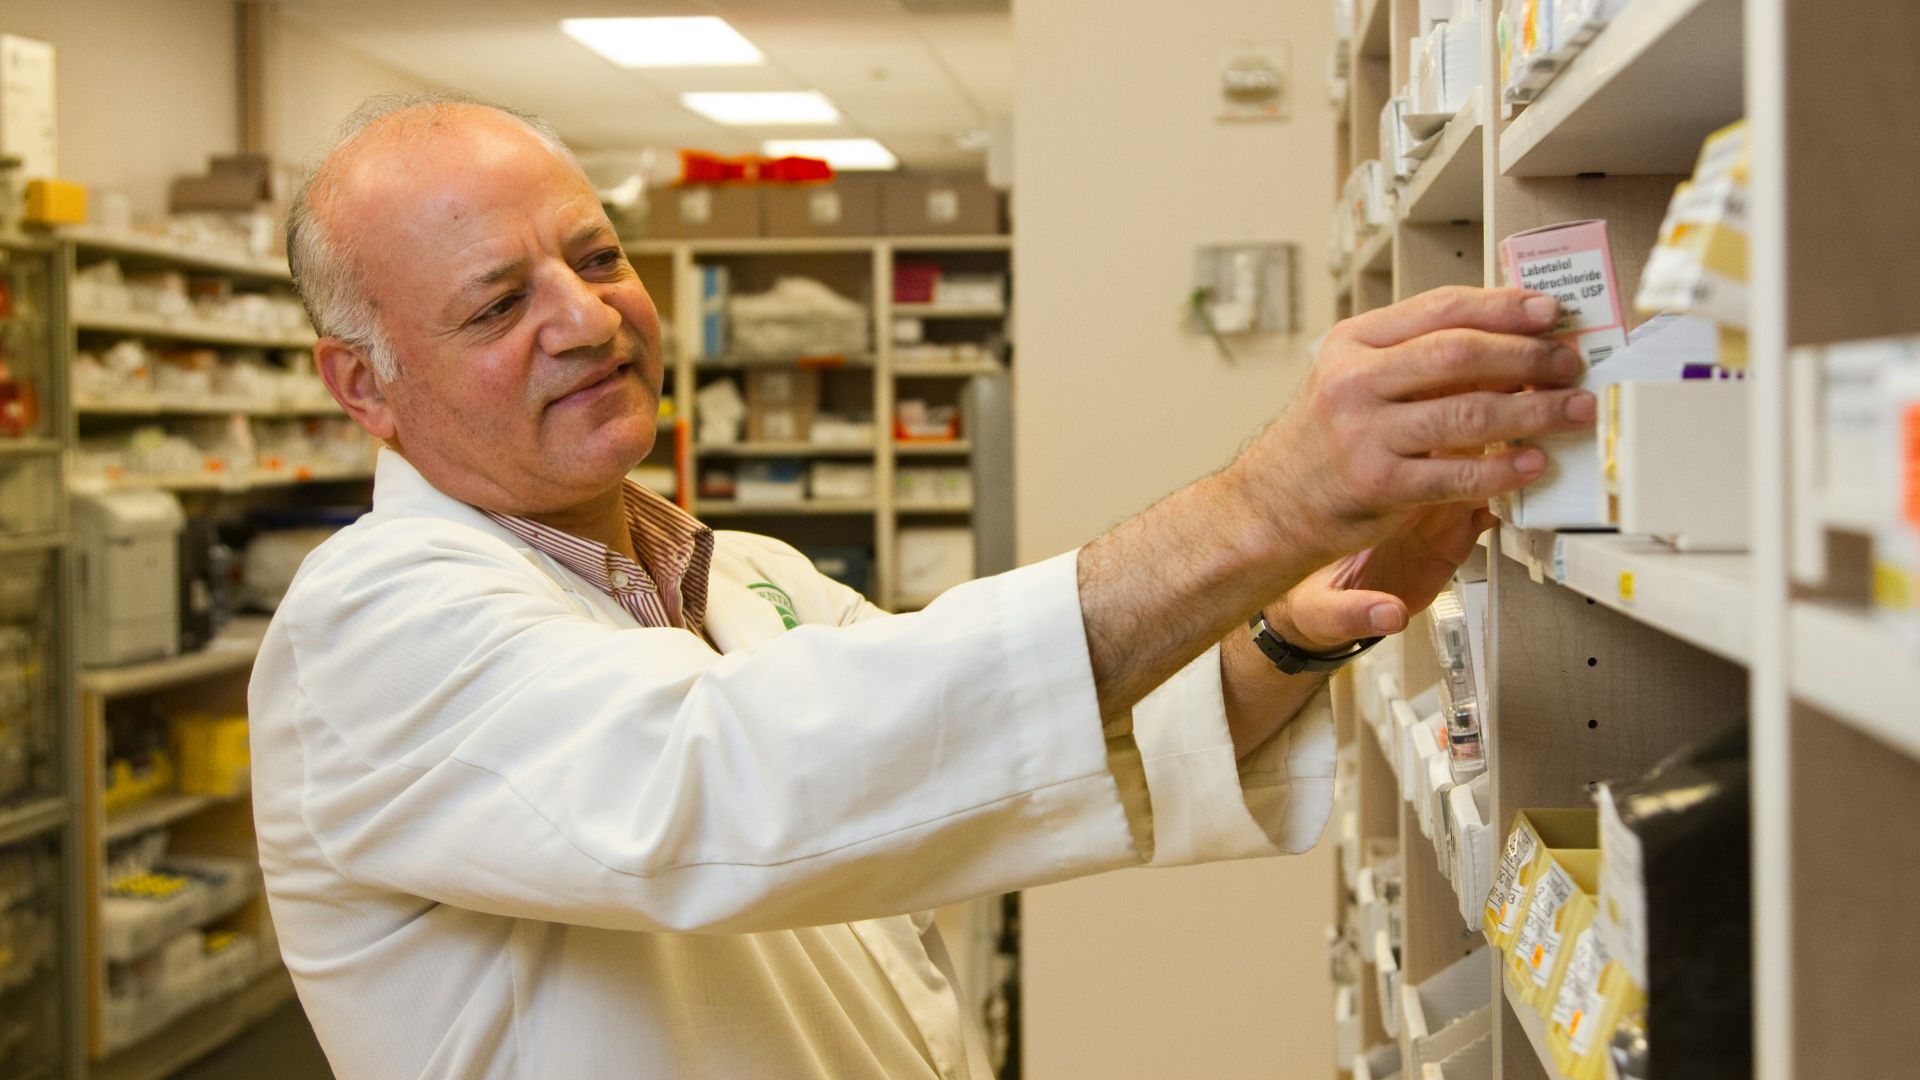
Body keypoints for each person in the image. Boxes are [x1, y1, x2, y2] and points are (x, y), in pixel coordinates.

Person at [249, 92, 1592, 1079]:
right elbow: (735, 781)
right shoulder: (369, 635)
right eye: (498, 306)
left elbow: (966, 762)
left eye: (596, 258)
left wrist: (1288, 636)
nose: (591, 319)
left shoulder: (743, 577)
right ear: (364, 383)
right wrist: (1257, 510)